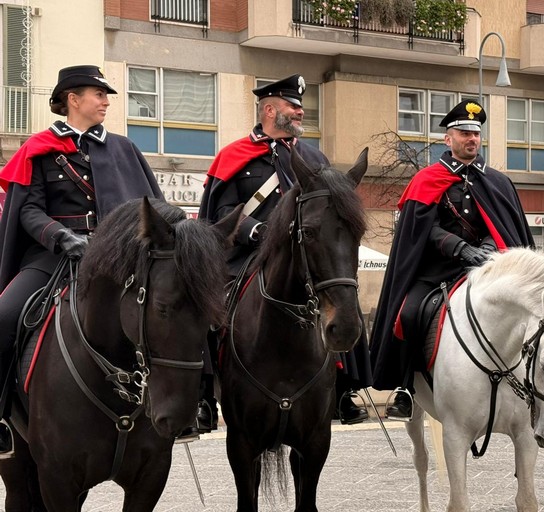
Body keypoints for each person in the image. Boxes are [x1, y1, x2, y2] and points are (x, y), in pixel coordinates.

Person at [0, 65, 164, 456]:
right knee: (4, 315)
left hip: (121, 256)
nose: (106, 101)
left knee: (176, 305)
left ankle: (192, 403)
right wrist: (61, 238)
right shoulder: (39, 148)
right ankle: (2, 416)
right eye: (98, 94)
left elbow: (150, 206)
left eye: (106, 95)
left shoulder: (124, 148)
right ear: (73, 99)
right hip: (54, 256)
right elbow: (29, 210)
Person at [198, 74, 371, 428]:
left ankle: (344, 388)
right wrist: (258, 231)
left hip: (302, 255)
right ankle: (202, 396)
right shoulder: (234, 155)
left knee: (339, 292)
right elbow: (221, 213)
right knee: (207, 310)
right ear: (270, 109)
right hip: (247, 256)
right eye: (293, 106)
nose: (299, 112)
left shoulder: (312, 157)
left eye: (299, 107)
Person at [369, 99, 534, 420]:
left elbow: (503, 225)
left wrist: (488, 246)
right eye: (463, 133)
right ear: (448, 139)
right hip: (437, 271)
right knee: (410, 313)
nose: (471, 139)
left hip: (487, 269)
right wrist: (461, 249)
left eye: (475, 134)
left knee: (527, 309)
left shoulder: (497, 181)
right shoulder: (427, 179)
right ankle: (405, 386)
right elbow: (423, 229)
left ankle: (534, 380)